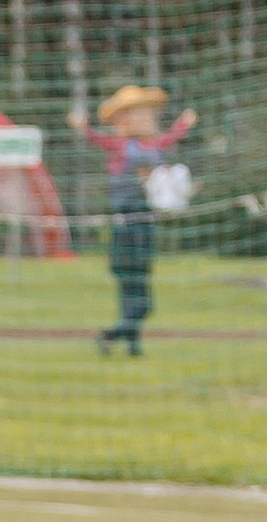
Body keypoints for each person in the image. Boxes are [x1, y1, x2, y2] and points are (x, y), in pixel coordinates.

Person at [71, 85, 195, 357]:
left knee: (140, 281)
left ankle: (130, 341)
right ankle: (115, 333)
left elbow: (169, 139)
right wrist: (83, 128)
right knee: (132, 282)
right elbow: (96, 140)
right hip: (126, 221)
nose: (147, 119)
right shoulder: (121, 146)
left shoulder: (153, 145)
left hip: (145, 220)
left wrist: (183, 125)